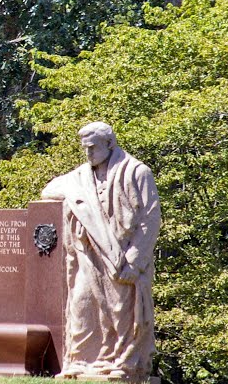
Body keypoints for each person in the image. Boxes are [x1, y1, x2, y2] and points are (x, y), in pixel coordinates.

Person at [41, 122, 161, 380]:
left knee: (122, 312)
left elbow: (149, 219)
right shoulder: (80, 177)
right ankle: (81, 362)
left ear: (110, 144)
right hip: (89, 258)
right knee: (81, 304)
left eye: (93, 147)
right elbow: (49, 189)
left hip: (123, 259)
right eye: (85, 148)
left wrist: (135, 261)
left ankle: (125, 364)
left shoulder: (137, 172)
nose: (88, 153)